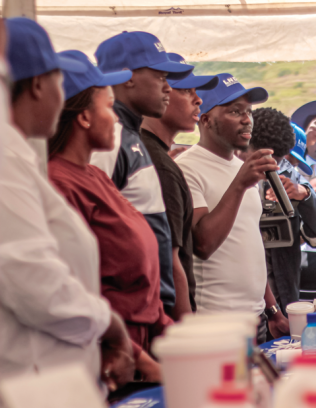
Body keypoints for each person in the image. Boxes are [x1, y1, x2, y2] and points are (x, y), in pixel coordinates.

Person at [2, 18, 134, 391]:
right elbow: (32, 278)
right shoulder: (7, 162)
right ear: (40, 85)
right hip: (35, 384)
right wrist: (108, 324)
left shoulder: (20, 158)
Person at [48, 50, 170, 382]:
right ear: (84, 117)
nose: (116, 119)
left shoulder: (95, 176)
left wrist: (171, 332)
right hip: (111, 354)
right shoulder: (59, 182)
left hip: (139, 341)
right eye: (107, 107)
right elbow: (73, 291)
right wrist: (144, 362)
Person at [175, 73, 288, 343]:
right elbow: (203, 243)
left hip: (257, 319)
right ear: (205, 119)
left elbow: (249, 243)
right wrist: (239, 186)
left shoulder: (242, 169)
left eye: (248, 111)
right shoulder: (186, 168)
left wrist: (272, 309)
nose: (247, 119)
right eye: (235, 111)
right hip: (216, 323)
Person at [90, 31, 194, 316]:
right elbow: (91, 229)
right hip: (128, 314)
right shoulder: (109, 138)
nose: (168, 88)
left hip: (150, 311)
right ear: (127, 77)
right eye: (160, 77)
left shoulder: (130, 135)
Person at [140, 53, 219, 320]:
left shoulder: (155, 155)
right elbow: (170, 260)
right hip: (168, 320)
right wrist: (186, 327)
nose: (198, 100)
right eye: (186, 91)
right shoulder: (159, 164)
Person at [248, 107, 316, 312]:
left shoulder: (291, 177)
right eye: (265, 158)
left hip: (286, 300)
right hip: (246, 305)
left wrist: (304, 195)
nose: (273, 167)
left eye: (279, 161)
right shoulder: (231, 175)